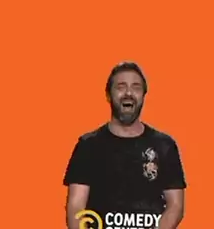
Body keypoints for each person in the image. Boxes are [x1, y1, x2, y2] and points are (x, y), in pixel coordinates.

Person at [63, 62, 186, 229]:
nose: (128, 93)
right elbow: (76, 207)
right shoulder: (88, 146)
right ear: (108, 95)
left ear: (143, 95)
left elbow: (176, 206)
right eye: (121, 87)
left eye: (136, 87)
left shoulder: (165, 145)